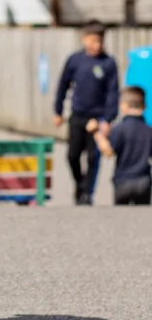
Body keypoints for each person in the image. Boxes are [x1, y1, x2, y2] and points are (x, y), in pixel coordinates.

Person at [54, 20, 119, 205]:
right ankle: (79, 184)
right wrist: (58, 110)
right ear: (85, 39)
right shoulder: (75, 60)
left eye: (100, 41)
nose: (97, 46)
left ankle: (87, 193)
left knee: (93, 157)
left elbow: (112, 92)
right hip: (78, 115)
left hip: (97, 118)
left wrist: (107, 119)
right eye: (93, 41)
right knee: (72, 155)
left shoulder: (108, 63)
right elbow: (63, 85)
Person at [87, 86, 152, 205]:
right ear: (144, 106)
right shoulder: (149, 130)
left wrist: (96, 133)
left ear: (124, 106)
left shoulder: (120, 129)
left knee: (121, 219)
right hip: (144, 182)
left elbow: (108, 152)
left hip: (123, 181)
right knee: (142, 219)